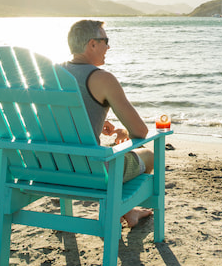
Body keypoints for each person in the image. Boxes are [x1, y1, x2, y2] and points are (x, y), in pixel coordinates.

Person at [61, 19, 156, 228]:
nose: (108, 47)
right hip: (90, 172)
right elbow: (140, 131)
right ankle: (122, 209)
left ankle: (130, 212)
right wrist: (125, 134)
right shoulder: (102, 79)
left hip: (47, 166)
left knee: (107, 152)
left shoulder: (50, 74)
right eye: (105, 40)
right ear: (92, 44)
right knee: (149, 156)